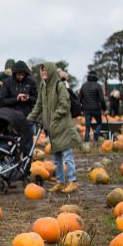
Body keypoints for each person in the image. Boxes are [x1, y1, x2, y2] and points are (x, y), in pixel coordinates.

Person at [28, 62, 81, 193]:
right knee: (57, 157)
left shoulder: (60, 86)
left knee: (67, 156)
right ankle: (60, 182)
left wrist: (54, 117)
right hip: (52, 128)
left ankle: (73, 182)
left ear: (51, 71)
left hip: (62, 126)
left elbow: (65, 105)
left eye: (45, 71)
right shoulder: (43, 86)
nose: (43, 73)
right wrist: (29, 119)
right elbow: (38, 105)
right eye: (42, 71)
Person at [78, 71, 106, 143]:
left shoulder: (84, 86)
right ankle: (95, 137)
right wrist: (104, 108)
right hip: (96, 108)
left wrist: (81, 109)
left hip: (87, 109)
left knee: (87, 126)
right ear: (96, 77)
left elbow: (80, 99)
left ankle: (86, 141)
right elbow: (102, 99)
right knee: (99, 123)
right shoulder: (98, 86)